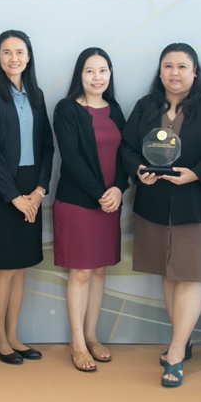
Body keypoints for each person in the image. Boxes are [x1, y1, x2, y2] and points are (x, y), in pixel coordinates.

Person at [121, 43, 201, 388]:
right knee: (169, 273)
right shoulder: (145, 106)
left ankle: (175, 353)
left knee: (188, 275)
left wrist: (196, 173)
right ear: (159, 72)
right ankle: (182, 340)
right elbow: (127, 147)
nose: (175, 73)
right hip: (155, 203)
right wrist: (138, 170)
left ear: (195, 71)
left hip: (197, 204)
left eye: (182, 66)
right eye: (168, 66)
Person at [0, 29, 54, 365]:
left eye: (20, 52)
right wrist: (14, 197)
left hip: (31, 185)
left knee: (21, 267)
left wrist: (38, 190)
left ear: (29, 56)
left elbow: (47, 146)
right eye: (6, 52)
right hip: (0, 190)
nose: (14, 58)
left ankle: (13, 336)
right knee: (5, 268)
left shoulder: (36, 95)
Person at [52, 47, 128, 372]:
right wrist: (101, 194)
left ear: (110, 74)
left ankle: (93, 336)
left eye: (103, 70)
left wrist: (119, 188)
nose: (97, 77)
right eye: (90, 71)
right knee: (81, 271)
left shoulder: (116, 110)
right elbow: (71, 158)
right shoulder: (67, 109)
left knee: (99, 270)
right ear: (79, 75)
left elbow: (127, 155)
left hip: (110, 203)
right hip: (78, 203)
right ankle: (77, 343)